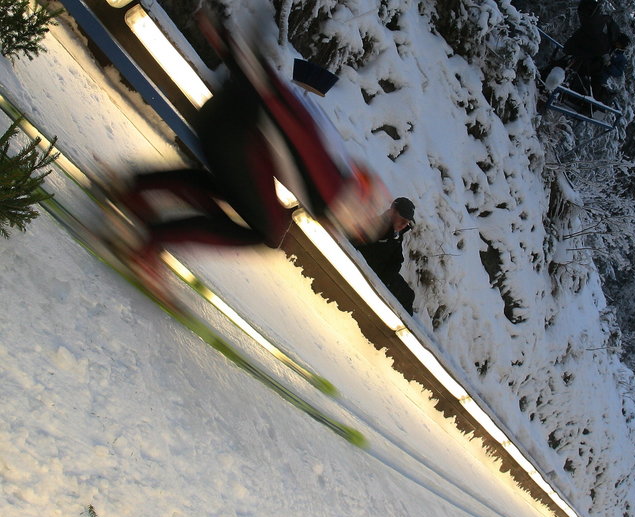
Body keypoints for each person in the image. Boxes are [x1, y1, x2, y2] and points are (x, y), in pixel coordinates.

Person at [110, 15, 386, 283]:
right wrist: (238, 53)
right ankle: (151, 243)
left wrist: (234, 50)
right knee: (267, 230)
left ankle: (135, 190)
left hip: (232, 118)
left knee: (239, 194)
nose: (337, 233)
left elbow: (294, 118)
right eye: (353, 231)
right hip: (233, 127)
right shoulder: (330, 189)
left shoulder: (334, 170)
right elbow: (291, 123)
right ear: (356, 220)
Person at [354, 197, 416, 315]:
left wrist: (388, 277)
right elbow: (354, 243)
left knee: (408, 295)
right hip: (368, 273)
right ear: (392, 212)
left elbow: (398, 259)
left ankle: (407, 327)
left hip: (385, 276)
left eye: (407, 222)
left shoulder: (397, 235)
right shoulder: (375, 225)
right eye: (402, 220)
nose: (404, 225)